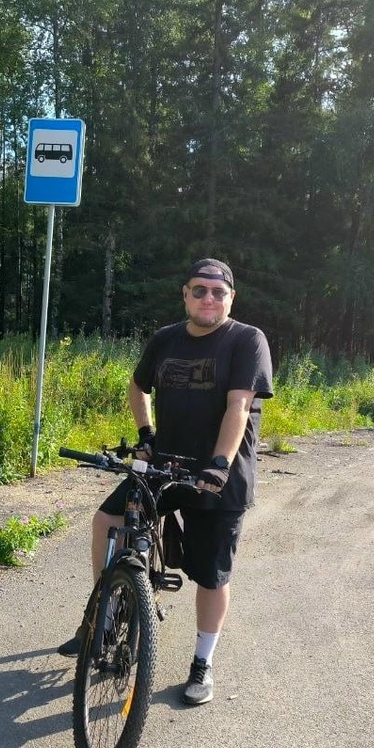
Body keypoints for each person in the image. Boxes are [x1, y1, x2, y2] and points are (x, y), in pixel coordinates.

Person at [58, 257, 274, 706]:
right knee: (107, 521)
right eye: (199, 290)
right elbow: (137, 387)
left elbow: (238, 406)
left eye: (218, 292)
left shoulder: (246, 340)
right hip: (165, 467)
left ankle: (202, 662)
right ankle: (105, 616)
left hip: (218, 478)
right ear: (185, 295)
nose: (208, 298)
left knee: (211, 576)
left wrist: (219, 464)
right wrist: (146, 435)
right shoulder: (165, 339)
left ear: (231, 298)